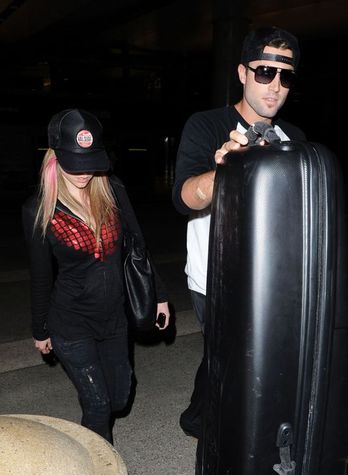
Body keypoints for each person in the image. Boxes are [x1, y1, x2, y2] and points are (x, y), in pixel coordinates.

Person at [172, 26, 306, 439]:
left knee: (252, 358)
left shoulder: (293, 138)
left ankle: (218, 419)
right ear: (243, 73)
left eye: (286, 76)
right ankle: (213, 429)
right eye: (265, 72)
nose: (275, 86)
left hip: (272, 278)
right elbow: (185, 197)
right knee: (231, 358)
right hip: (217, 278)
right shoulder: (208, 126)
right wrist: (226, 169)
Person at [22, 108, 170, 444]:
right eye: (74, 162)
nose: (84, 172)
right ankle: (99, 473)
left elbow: (137, 245)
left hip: (114, 319)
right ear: (55, 156)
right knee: (98, 405)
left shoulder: (113, 190)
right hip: (70, 323)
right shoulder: (38, 209)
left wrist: (159, 294)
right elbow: (41, 276)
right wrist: (39, 329)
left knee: (119, 396)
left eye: (90, 161)